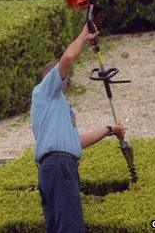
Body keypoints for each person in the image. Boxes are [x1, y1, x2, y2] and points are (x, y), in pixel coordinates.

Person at [30, 24, 126, 233]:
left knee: (59, 227)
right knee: (71, 228)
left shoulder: (58, 106)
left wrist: (109, 130)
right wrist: (84, 34)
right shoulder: (44, 92)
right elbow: (67, 58)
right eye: (61, 76)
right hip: (59, 165)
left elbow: (77, 142)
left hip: (56, 167)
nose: (65, 79)